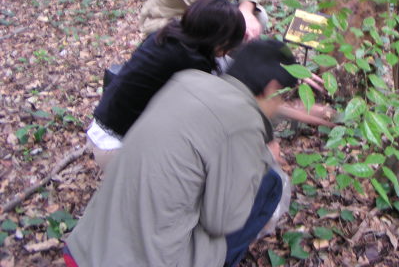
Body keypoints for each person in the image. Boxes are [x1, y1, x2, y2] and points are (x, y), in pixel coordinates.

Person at [64, 39, 298, 267]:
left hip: (84, 248)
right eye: (283, 97)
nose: (279, 105)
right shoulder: (244, 122)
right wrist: (262, 159)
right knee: (270, 182)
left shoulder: (187, 80)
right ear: (272, 88)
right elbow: (222, 221)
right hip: (147, 259)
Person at [87, 0, 246, 170]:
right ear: (217, 39)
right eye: (228, 44)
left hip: (101, 129)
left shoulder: (166, 35)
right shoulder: (191, 62)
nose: (228, 50)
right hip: (116, 148)